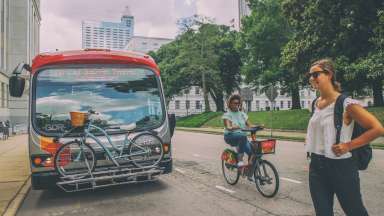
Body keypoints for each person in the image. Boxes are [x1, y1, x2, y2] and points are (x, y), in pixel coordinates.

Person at [305, 58, 384, 216]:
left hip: (341, 167)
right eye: (310, 75)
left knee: (354, 211)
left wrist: (348, 146)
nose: (311, 78)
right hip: (317, 167)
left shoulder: (346, 103)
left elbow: (377, 129)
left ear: (329, 74)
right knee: (323, 212)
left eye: (315, 74)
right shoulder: (315, 103)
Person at [222, 94, 255, 167]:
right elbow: (228, 126)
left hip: (242, 137)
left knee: (253, 152)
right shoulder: (227, 114)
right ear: (230, 104)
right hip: (230, 136)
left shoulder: (242, 114)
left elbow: (250, 125)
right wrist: (233, 127)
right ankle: (240, 160)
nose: (237, 105)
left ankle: (250, 172)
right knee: (242, 136)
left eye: (238, 103)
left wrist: (258, 126)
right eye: (235, 103)